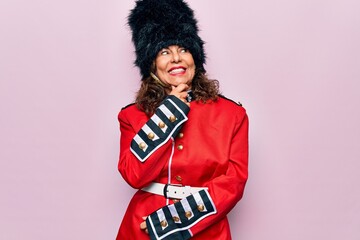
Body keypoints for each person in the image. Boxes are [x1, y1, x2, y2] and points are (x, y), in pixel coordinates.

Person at [116, 0, 249, 239]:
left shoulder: (232, 115)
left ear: (195, 58)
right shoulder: (131, 116)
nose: (176, 58)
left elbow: (233, 184)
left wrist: (169, 221)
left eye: (184, 49)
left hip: (205, 229)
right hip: (143, 226)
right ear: (152, 64)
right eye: (164, 51)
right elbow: (134, 176)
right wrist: (170, 113)